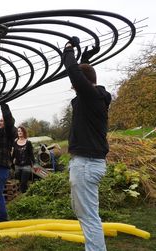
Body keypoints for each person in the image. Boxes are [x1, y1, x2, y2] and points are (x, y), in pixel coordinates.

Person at [63, 37, 110, 251]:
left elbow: (74, 71)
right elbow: (81, 75)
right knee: (86, 214)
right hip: (89, 164)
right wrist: (86, 58)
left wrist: (69, 48)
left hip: (86, 165)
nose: (72, 85)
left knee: (89, 217)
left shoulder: (91, 97)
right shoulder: (94, 97)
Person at [12, 126, 35, 193]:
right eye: (18, 131)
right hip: (17, 166)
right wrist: (11, 163)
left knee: (23, 182)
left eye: (21, 131)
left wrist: (34, 164)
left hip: (26, 166)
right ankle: (25, 194)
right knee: (19, 183)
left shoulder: (28, 143)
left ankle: (25, 196)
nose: (20, 132)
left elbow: (31, 154)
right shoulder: (15, 143)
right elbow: (13, 154)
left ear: (24, 132)